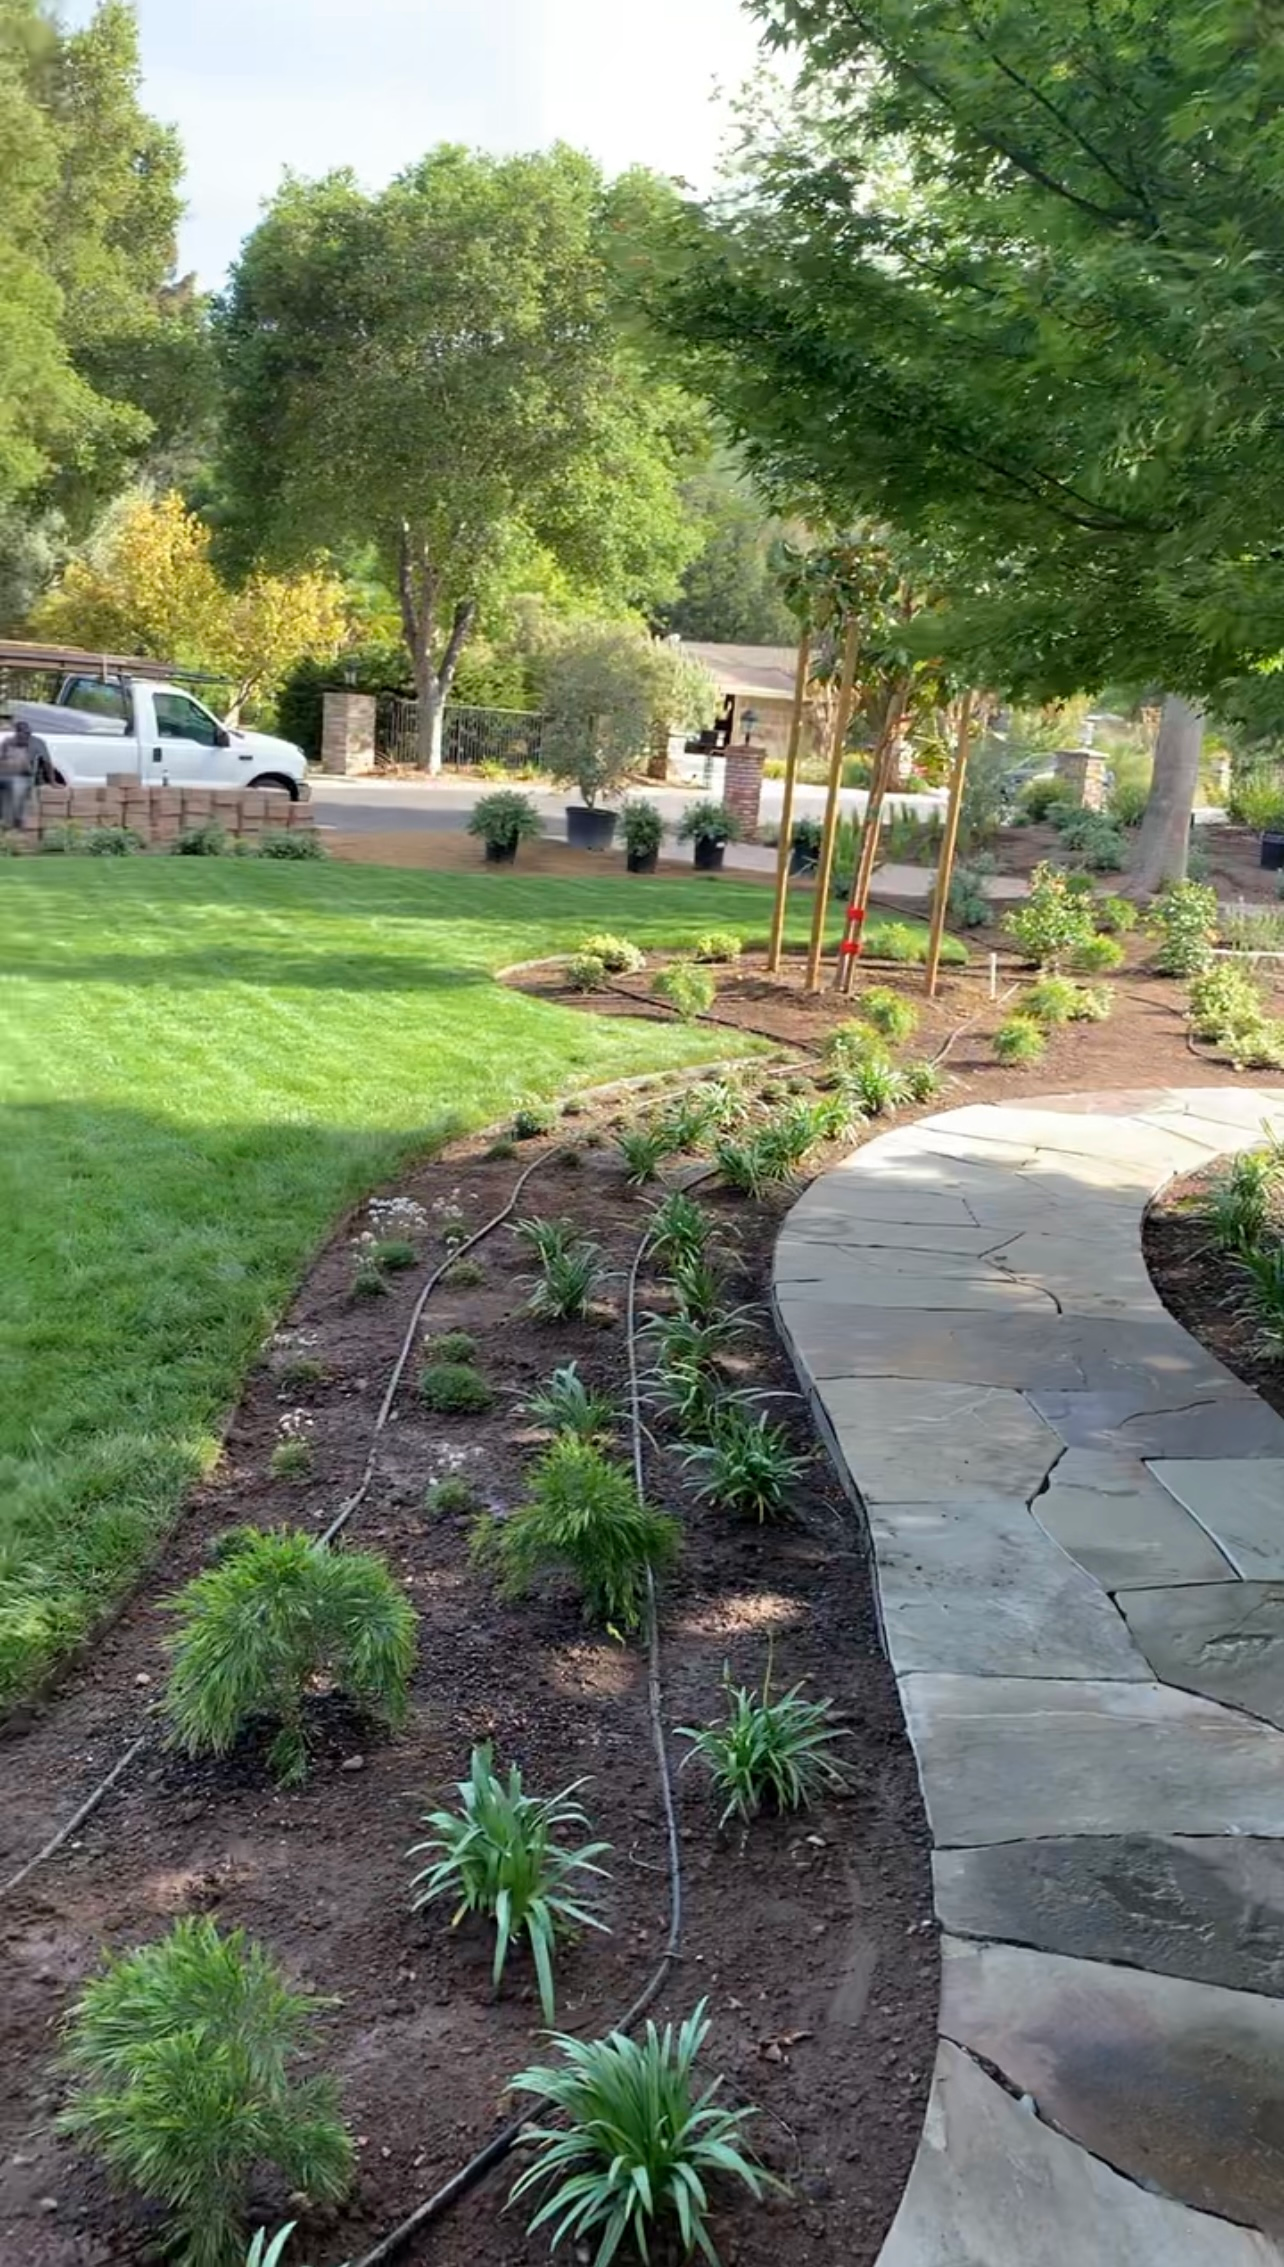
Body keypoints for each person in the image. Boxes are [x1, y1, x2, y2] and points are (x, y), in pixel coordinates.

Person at [0, 718, 36, 831]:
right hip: (6, 776)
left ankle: (16, 822)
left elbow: (29, 769)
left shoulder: (30, 745)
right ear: (17, 732)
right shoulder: (7, 743)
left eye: (28, 734)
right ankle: (8, 822)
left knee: (18, 787)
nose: (26, 736)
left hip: (22, 777)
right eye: (24, 733)